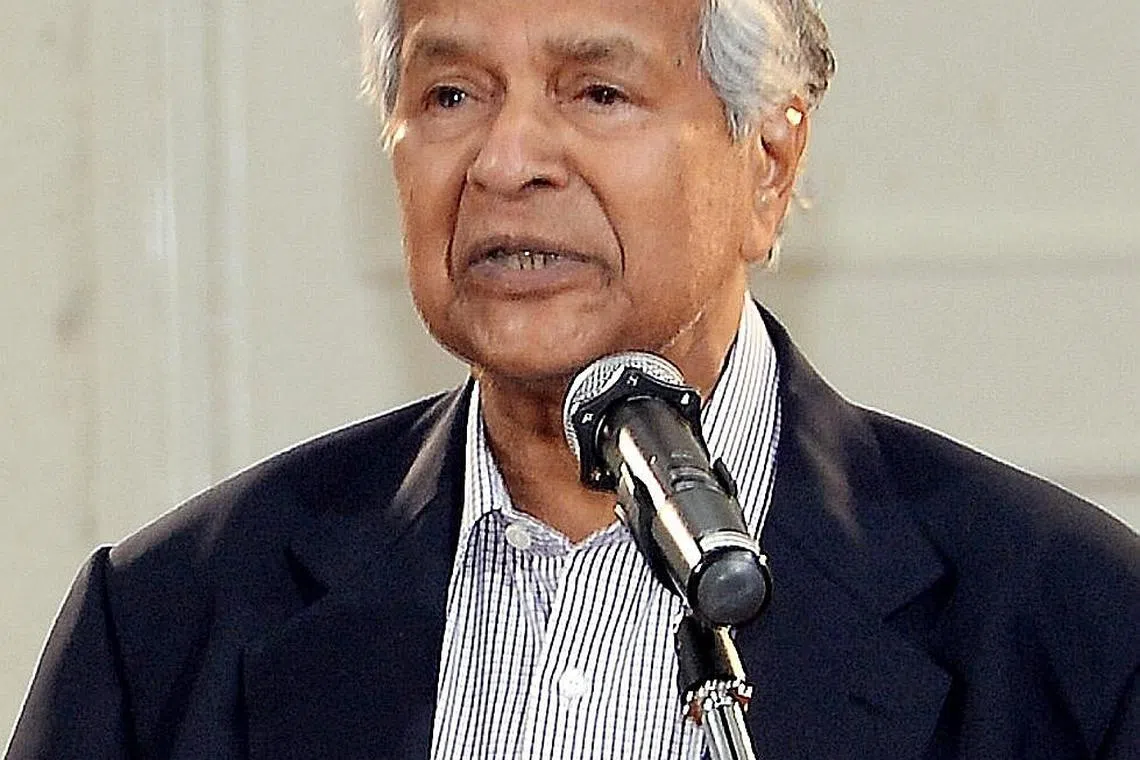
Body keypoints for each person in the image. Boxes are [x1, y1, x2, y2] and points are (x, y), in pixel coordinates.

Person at [7, 0, 1139, 757]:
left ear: (769, 163)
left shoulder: (1073, 636)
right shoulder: (164, 633)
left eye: (597, 92)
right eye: (452, 96)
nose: (507, 162)